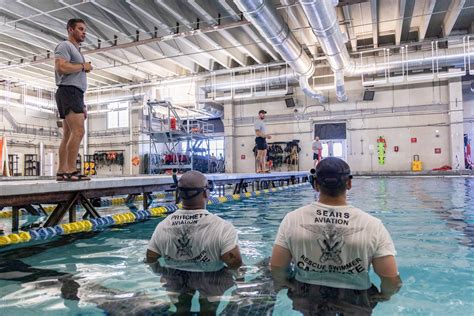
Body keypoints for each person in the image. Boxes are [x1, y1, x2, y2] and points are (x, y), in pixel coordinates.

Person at [270, 157, 402, 314]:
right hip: (355, 299)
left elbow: (277, 267)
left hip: (306, 294)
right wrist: (384, 295)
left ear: (316, 185)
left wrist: (286, 284)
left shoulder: (292, 219)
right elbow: (390, 279)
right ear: (349, 183)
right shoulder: (372, 225)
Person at [54, 18, 93, 181]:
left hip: (73, 93)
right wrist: (83, 66)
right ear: (70, 29)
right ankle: (70, 170)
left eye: (84, 30)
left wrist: (82, 104)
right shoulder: (65, 46)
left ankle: (62, 170)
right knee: (79, 132)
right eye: (80, 29)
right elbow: (61, 67)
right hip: (69, 92)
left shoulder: (76, 50)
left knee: (68, 134)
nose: (84, 32)